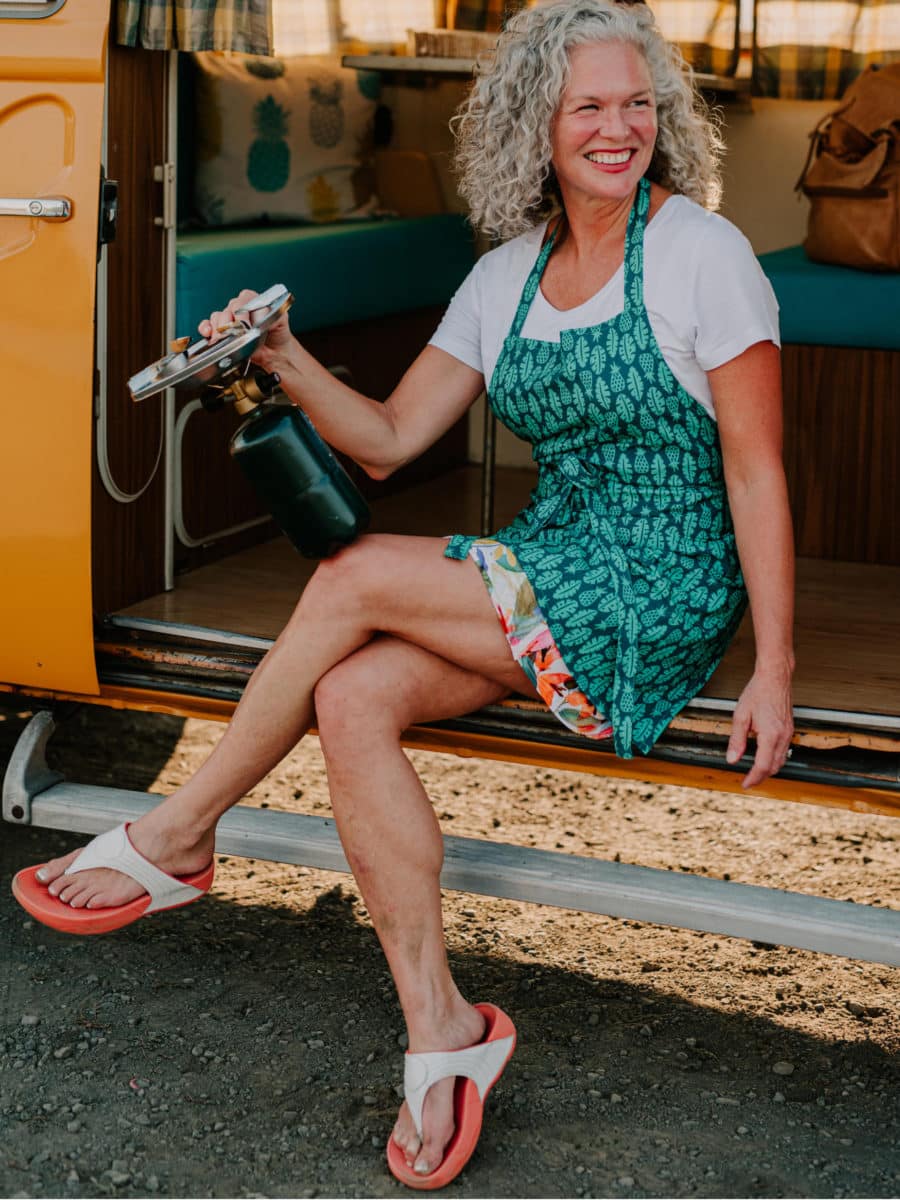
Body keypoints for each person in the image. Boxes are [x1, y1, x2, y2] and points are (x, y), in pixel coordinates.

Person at [13, 0, 795, 1187]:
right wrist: (276, 353)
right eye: (589, 106)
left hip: (660, 587)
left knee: (361, 571)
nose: (618, 127)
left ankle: (178, 831)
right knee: (355, 691)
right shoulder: (506, 277)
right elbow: (385, 440)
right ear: (538, 123)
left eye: (638, 103)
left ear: (665, 118)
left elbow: (755, 465)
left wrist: (776, 668)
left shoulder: (703, 253)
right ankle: (443, 1029)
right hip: (553, 565)